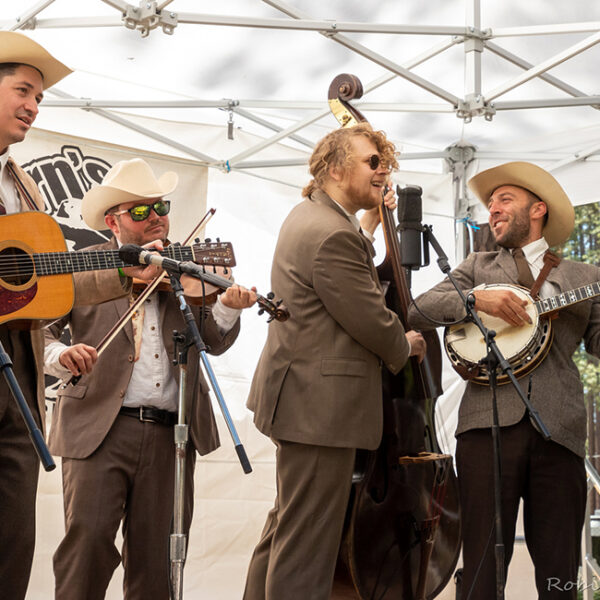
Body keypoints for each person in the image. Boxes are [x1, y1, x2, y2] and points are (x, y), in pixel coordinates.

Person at [44, 157, 257, 600]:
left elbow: (212, 341)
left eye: (160, 207)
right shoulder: (85, 263)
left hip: (171, 435)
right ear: (113, 221)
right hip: (99, 427)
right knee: (87, 549)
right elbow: (40, 330)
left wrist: (228, 306)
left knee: (158, 560)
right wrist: (63, 354)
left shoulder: (189, 268)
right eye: (140, 211)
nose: (155, 217)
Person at [0, 32, 156, 600]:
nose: (32, 106)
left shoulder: (26, 185)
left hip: (18, 375)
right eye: (22, 90)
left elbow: (45, 282)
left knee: (13, 541)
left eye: (38, 98)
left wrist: (124, 272)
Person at [242, 122, 427, 600]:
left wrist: (368, 225)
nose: (382, 171)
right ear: (336, 166)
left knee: (286, 528)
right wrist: (406, 343)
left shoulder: (312, 217)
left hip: (302, 402)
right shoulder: (331, 235)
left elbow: (345, 260)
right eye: (373, 161)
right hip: (319, 409)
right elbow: (369, 317)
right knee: (307, 549)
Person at [407, 161, 598, 599]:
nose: (491, 209)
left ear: (538, 209)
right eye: (489, 204)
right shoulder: (477, 266)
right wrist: (476, 298)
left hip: (559, 431)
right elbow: (419, 309)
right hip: (484, 429)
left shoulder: (586, 278)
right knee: (480, 564)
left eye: (504, 200)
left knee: (559, 568)